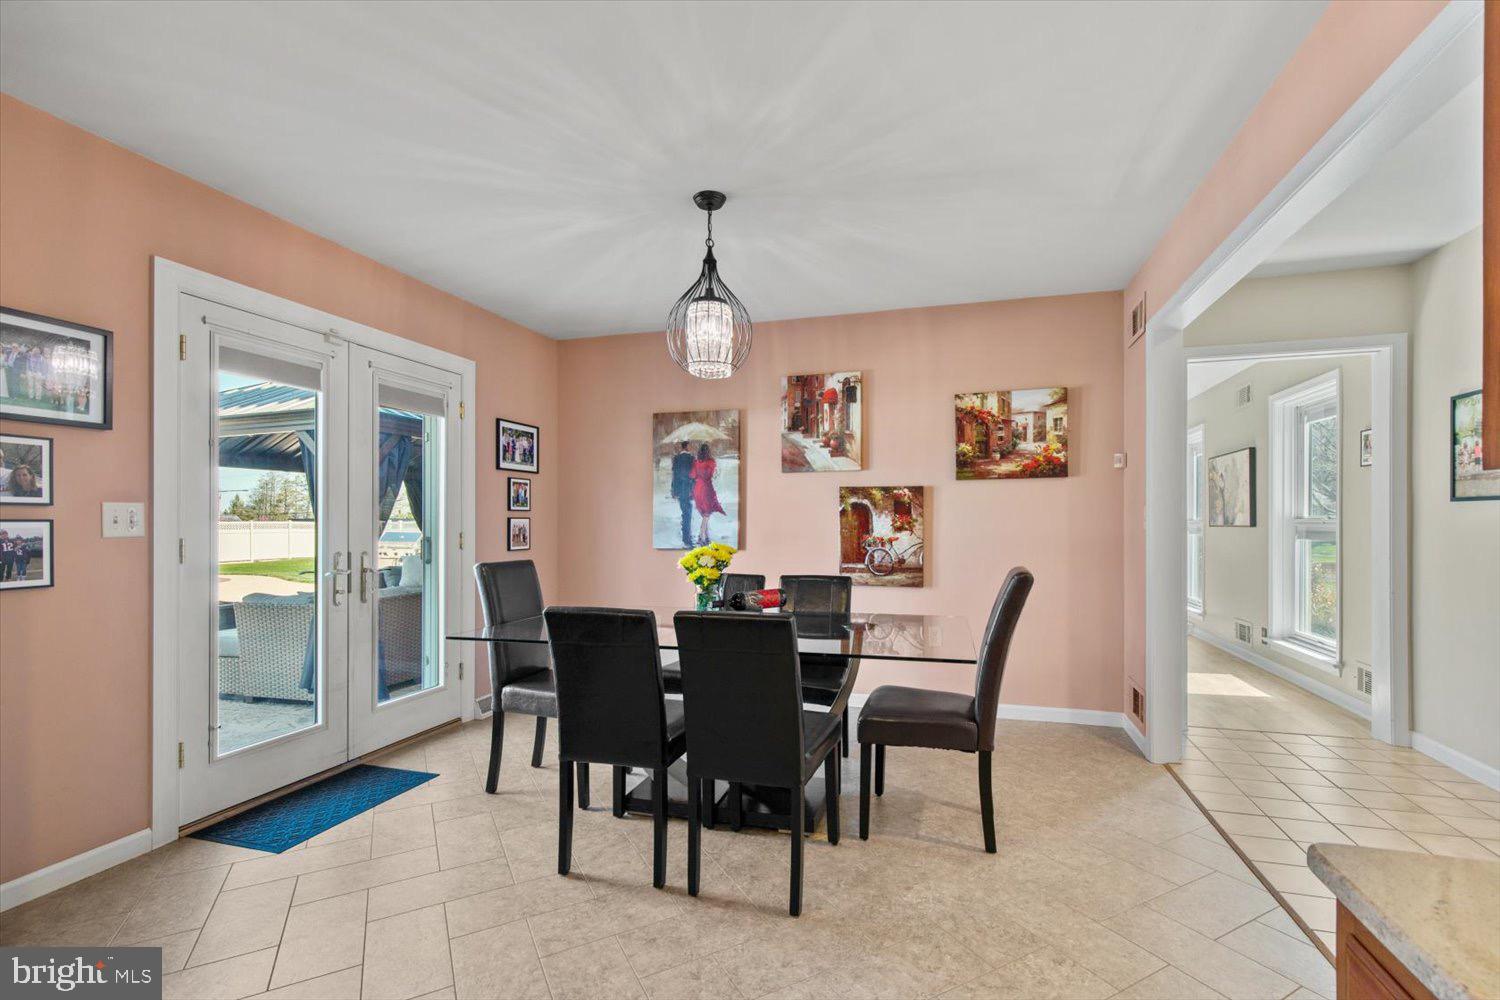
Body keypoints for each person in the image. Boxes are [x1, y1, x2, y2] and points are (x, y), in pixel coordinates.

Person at [691, 442, 725, 545]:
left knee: (704, 514)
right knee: (706, 514)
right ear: (708, 451)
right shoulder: (711, 462)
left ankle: (705, 536)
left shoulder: (696, 462)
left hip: (697, 488)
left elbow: (693, 475)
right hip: (706, 488)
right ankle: (701, 537)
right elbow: (711, 475)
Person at [670, 441, 696, 548]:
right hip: (689, 489)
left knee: (685, 512)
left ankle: (686, 535)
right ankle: (687, 539)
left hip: (680, 489)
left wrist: (674, 491)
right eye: (690, 445)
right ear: (687, 447)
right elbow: (694, 476)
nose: (692, 447)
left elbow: (674, 476)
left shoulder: (676, 458)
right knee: (687, 513)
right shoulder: (692, 459)